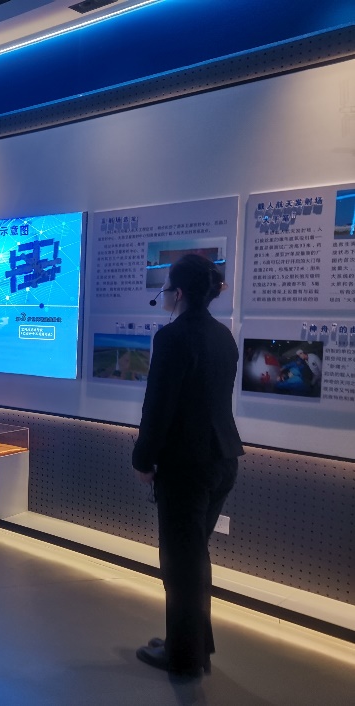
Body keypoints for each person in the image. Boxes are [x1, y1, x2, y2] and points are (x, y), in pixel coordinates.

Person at [132, 254, 244, 678]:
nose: (162, 295)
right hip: (222, 460)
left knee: (180, 563)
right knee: (193, 556)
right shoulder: (223, 336)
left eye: (165, 288)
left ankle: (182, 658)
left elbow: (158, 407)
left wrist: (143, 458)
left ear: (178, 293)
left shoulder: (173, 337)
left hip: (186, 465)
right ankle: (195, 647)